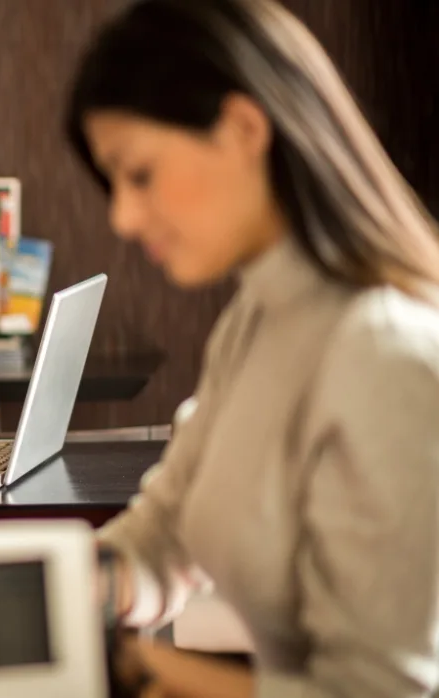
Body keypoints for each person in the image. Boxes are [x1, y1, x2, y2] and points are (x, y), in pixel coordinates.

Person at [65, 0, 439, 695]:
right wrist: (16, 582)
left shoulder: (388, 356)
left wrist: (151, 667)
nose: (122, 215)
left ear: (244, 128)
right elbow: (163, 538)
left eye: (138, 174)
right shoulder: (256, 317)